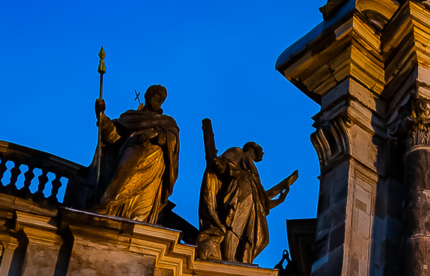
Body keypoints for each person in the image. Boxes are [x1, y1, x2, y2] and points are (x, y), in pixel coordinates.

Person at [197, 121, 297, 264]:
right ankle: (230, 259)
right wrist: (217, 162)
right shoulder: (238, 152)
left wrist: (280, 198)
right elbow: (222, 167)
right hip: (238, 195)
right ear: (252, 148)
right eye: (260, 150)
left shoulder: (252, 173)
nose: (262, 153)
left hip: (251, 204)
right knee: (233, 226)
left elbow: (262, 200)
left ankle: (240, 259)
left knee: (261, 238)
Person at [94, 85, 179, 224]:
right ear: (147, 96)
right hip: (132, 152)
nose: (160, 100)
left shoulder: (167, 122)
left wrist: (157, 134)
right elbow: (113, 137)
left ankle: (140, 220)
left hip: (154, 166)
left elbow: (173, 141)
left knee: (141, 212)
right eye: (157, 95)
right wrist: (102, 117)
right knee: (122, 175)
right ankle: (109, 207)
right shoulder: (131, 117)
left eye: (163, 98)